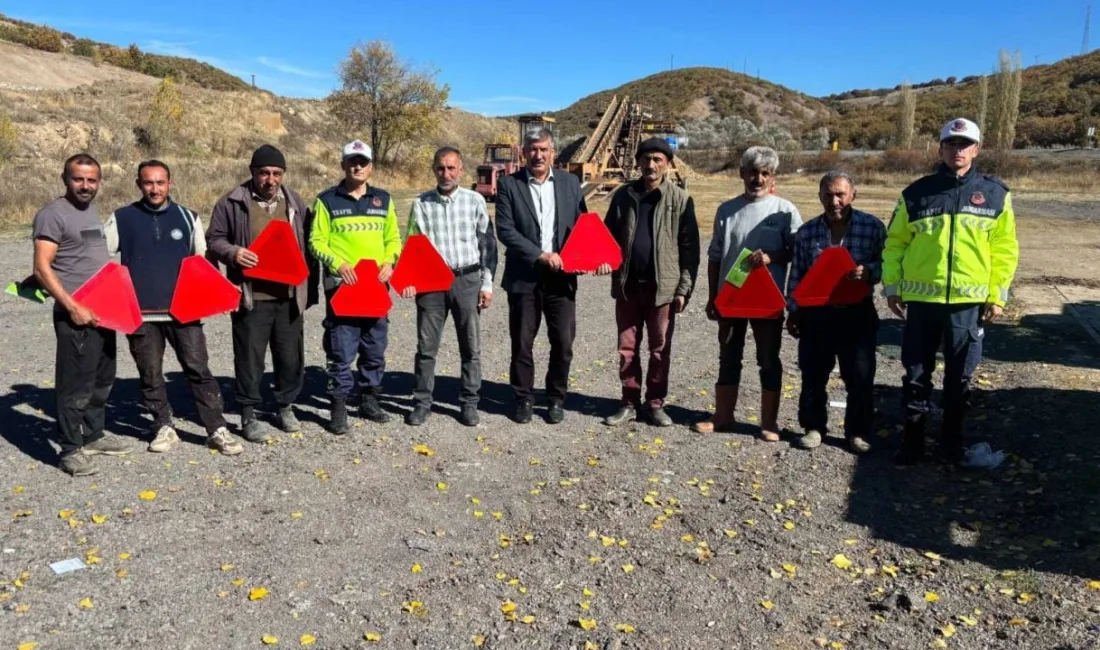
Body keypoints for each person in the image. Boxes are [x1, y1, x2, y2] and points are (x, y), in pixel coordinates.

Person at [884, 117, 1019, 465]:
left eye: (964, 144)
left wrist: (997, 295)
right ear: (940, 148)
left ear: (976, 149)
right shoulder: (915, 193)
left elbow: (1005, 250)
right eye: (951, 143)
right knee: (916, 376)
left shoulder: (995, 194)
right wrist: (893, 288)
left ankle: (951, 447)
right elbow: (895, 243)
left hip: (968, 305)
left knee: (959, 380)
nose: (957, 150)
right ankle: (912, 445)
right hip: (922, 303)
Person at [104, 160, 242, 456]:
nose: (154, 189)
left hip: (184, 310)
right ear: (138, 184)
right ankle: (163, 426)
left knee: (198, 368)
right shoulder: (121, 218)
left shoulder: (188, 217)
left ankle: (216, 428)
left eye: (160, 183)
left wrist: (220, 294)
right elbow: (98, 257)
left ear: (170, 183)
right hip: (141, 313)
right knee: (150, 372)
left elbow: (202, 262)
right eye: (148, 183)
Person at [207, 144, 317, 443]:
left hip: (288, 296)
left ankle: (285, 406)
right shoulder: (231, 202)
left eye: (276, 173)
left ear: (284, 174)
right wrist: (233, 252)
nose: (270, 180)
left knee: (290, 356)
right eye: (264, 173)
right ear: (252, 172)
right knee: (249, 358)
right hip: (251, 297)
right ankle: (248, 413)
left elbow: (309, 247)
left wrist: (309, 293)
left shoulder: (294, 202)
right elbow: (214, 239)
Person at [31, 153, 131, 476]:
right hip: (76, 313)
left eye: (91, 180)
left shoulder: (90, 211)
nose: (85, 186)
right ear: (65, 179)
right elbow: (42, 267)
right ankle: (70, 448)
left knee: (102, 378)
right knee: (75, 383)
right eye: (78, 179)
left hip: (103, 311)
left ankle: (93, 434)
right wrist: (72, 307)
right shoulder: (52, 215)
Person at [695, 146, 801, 441]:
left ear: (773, 176)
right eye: (753, 172)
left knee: (768, 359)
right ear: (742, 173)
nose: (758, 178)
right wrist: (713, 296)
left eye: (765, 173)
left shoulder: (785, 211)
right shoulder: (726, 210)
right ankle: (723, 415)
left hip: (767, 301)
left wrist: (772, 256)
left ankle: (769, 422)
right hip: (731, 299)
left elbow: (798, 251)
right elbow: (715, 255)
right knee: (728, 356)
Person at [600, 138, 700, 427]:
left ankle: (655, 403)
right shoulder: (624, 196)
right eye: (646, 159)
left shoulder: (680, 200)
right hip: (628, 287)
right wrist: (603, 259)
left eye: (657, 159)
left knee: (659, 350)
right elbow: (607, 236)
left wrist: (684, 290)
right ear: (638, 162)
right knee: (627, 349)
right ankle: (629, 402)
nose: (651, 165)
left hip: (663, 290)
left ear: (667, 164)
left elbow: (690, 250)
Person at [785, 171, 885, 454]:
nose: (834, 201)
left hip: (857, 312)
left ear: (853, 194)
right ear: (819, 196)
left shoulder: (873, 227)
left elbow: (889, 264)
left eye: (840, 194)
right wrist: (794, 311)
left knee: (860, 375)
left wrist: (870, 271)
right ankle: (814, 427)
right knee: (813, 373)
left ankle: (857, 432)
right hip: (817, 314)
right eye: (828, 195)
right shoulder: (807, 232)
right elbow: (798, 274)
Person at [495, 128, 588, 424]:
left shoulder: (570, 183)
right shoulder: (509, 184)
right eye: (533, 149)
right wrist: (539, 254)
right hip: (525, 276)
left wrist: (586, 257)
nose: (538, 155)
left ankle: (556, 398)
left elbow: (583, 226)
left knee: (563, 342)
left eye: (544, 149)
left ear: (553, 152)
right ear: (524, 152)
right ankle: (523, 398)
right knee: (522, 343)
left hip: (562, 277)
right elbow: (505, 230)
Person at [309, 140, 402, 433]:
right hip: (343, 288)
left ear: (371, 166)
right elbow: (316, 242)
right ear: (343, 165)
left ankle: (369, 400)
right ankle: (338, 407)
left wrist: (389, 261)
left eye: (363, 162)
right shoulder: (326, 200)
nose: (357, 166)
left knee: (375, 348)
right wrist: (338, 264)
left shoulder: (383, 200)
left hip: (375, 288)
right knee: (341, 350)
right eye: (352, 161)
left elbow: (394, 239)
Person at [401, 146, 497, 427]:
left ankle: (469, 403)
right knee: (426, 347)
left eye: (451, 168)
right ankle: (422, 403)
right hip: (431, 283)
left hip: (467, 280)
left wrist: (487, 284)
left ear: (461, 170)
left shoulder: (475, 201)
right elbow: (411, 244)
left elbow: (488, 245)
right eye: (441, 168)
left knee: (471, 347)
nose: (446, 173)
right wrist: (409, 279)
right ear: (434, 170)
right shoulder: (421, 203)